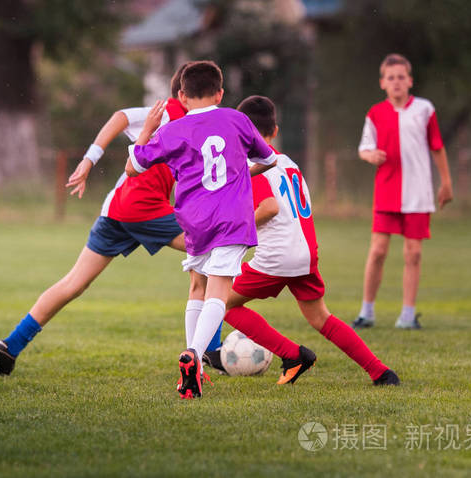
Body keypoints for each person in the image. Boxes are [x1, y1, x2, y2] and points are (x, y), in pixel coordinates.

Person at [0, 63, 221, 377]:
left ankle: (9, 347)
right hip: (143, 207)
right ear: (183, 95)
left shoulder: (198, 122)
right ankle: (210, 352)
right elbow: (120, 117)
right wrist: (88, 160)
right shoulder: (169, 112)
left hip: (117, 209)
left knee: (74, 283)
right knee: (212, 255)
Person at [205, 95, 399, 386]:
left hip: (277, 257)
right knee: (321, 318)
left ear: (239, 131)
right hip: (306, 253)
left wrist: (230, 228)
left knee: (222, 304)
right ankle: (381, 372)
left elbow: (268, 208)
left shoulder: (251, 163)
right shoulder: (289, 163)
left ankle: (293, 355)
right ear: (275, 131)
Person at [126, 61, 278, 399]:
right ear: (221, 93)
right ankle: (194, 355)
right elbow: (269, 160)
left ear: (181, 94)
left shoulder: (173, 129)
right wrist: (239, 173)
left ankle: (194, 367)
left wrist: (147, 129)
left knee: (198, 285)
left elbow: (132, 167)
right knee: (219, 292)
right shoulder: (237, 119)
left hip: (194, 220)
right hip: (231, 218)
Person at [352, 54, 453, 330]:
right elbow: (364, 148)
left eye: (401, 77)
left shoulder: (424, 109)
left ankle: (407, 316)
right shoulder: (375, 113)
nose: (396, 82)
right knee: (378, 251)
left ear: (410, 81)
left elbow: (437, 147)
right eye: (391, 78)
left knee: (413, 253)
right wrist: (370, 155)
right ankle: (367, 312)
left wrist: (446, 182)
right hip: (386, 192)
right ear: (383, 83)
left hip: (418, 193)